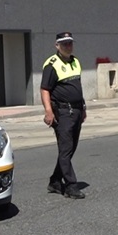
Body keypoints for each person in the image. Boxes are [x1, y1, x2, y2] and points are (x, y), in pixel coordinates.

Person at [41, 31, 87, 199]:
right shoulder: (51, 64)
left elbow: (78, 87)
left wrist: (83, 108)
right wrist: (48, 111)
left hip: (76, 111)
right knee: (66, 148)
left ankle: (54, 181)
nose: (68, 46)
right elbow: (45, 89)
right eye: (64, 43)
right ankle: (71, 186)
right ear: (57, 46)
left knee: (70, 148)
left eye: (70, 43)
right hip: (62, 112)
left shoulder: (75, 62)